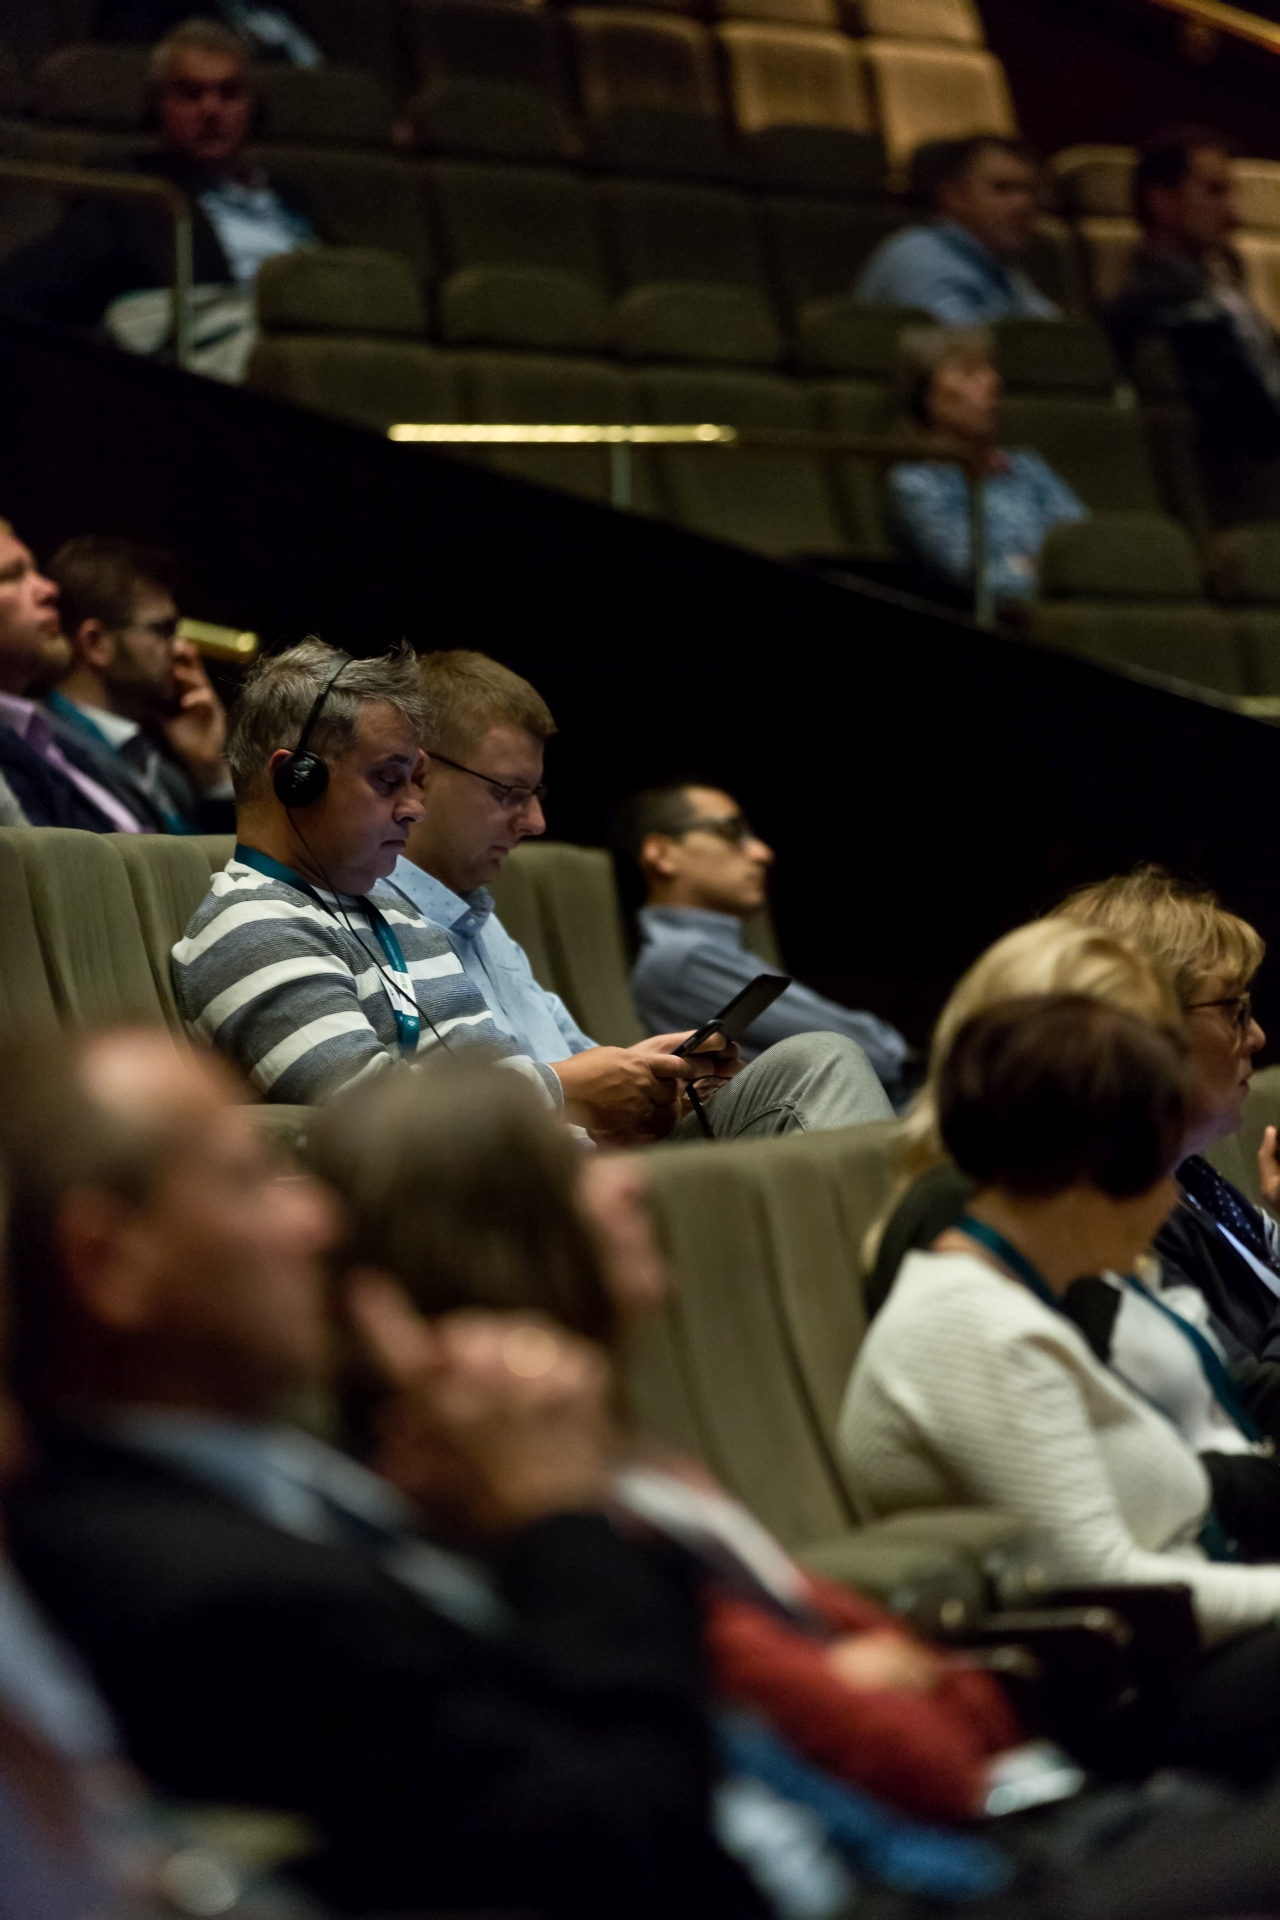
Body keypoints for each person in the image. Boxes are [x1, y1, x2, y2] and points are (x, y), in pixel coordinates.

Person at [0, 1027, 770, 1919]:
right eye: (246, 1179)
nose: (316, 1221)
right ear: (111, 1263)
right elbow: (627, 1848)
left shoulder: (294, 1477)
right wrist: (559, 1521)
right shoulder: (187, 1587)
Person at [310, 1059, 1034, 1847]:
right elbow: (933, 1764)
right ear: (490, 1236)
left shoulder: (636, 1470)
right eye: (575, 1168)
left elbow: (968, 1707)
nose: (630, 1182)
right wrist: (853, 1682)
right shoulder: (540, 1515)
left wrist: (872, 1682)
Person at [840, 992, 1280, 1786]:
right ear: (1091, 1173)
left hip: (1210, 1641)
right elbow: (1111, 1585)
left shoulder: (1044, 1299)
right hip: (1128, 1701)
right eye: (1154, 1167)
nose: (1170, 1198)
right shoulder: (970, 1326)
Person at [861, 916, 1280, 1564]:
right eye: (1231, 1011)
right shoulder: (985, 1240)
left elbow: (1212, 1428)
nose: (1254, 1036)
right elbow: (1121, 1544)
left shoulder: (1117, 1200)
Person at [391, 649, 893, 1144]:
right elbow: (398, 1117)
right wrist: (570, 1089)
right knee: (821, 1061)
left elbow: (581, 1065)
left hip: (603, 1152)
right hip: (531, 1173)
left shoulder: (482, 920)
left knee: (812, 1063)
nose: (536, 822)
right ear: (418, 776)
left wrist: (652, 1082)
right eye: (508, 792)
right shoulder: (363, 922)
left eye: (535, 795)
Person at [172, 638, 568, 1106]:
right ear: (296, 780)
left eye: (414, 781)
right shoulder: (251, 929)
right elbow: (376, 1118)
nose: (415, 808)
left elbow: (499, 1075)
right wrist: (558, 1092)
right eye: (388, 780)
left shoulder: (396, 913)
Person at [0, 19, 317, 381]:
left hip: (310, 333)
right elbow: (25, 287)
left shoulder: (288, 196)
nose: (211, 109)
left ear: (253, 108)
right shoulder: (135, 196)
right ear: (157, 107)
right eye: (190, 94)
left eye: (229, 93)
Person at [1054, 866, 1280, 1369]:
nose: (1257, 1036)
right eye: (1234, 1011)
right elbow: (1252, 1404)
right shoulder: (1115, 1214)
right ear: (1144, 1030)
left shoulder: (1184, 1171)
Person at [610, 780, 909, 1101]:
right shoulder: (684, 958)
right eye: (730, 831)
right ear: (661, 853)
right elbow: (872, 1053)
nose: (762, 853)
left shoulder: (708, 945)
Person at [1107, 127, 1280, 527]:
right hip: (1244, 491)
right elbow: (1250, 424)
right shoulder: (1152, 303)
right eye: (1214, 192)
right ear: (1161, 200)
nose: (1233, 213)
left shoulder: (1221, 286)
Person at [44, 534, 235, 836]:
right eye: (162, 630)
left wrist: (212, 772)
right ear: (95, 643)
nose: (183, 649)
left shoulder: (155, 760)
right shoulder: (49, 752)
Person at [887, 325, 1086, 609]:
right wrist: (1043, 570)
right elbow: (976, 574)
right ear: (925, 393)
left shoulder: (1027, 467)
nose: (993, 381)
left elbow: (1083, 547)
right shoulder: (917, 482)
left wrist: (1035, 568)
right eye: (970, 372)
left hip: (1066, 608)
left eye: (990, 369)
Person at [0, 517, 161, 832]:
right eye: (12, 575)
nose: (49, 589)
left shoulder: (43, 733)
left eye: (35, 572)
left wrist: (214, 778)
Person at [856, 138, 1060, 326]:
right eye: (1003, 188)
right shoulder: (917, 257)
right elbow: (968, 348)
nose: (1024, 204)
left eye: (1030, 191)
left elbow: (1057, 333)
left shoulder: (997, 265)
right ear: (955, 195)